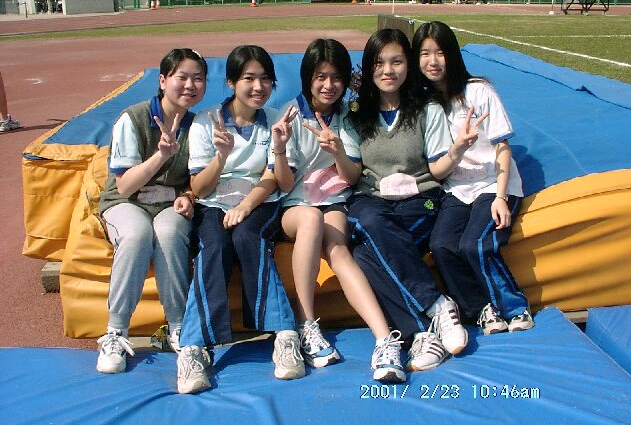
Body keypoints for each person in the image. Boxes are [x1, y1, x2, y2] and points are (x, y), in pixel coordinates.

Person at [270, 38, 406, 383]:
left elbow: (351, 176)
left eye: (336, 77)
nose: (328, 85)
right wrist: (280, 150)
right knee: (311, 219)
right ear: (307, 77)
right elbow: (284, 184)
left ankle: (384, 339)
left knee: (339, 251)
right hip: (296, 204)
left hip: (334, 200)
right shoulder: (290, 114)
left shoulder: (348, 115)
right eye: (320, 77)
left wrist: (338, 153)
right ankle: (306, 324)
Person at [342, 29, 475, 372]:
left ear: (408, 66)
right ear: (368, 67)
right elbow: (353, 177)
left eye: (397, 61)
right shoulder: (355, 114)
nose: (388, 70)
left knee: (365, 255)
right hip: (372, 199)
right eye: (379, 62)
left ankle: (420, 334)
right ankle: (437, 305)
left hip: (421, 199)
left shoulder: (426, 109)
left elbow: (437, 169)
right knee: (369, 221)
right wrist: (336, 151)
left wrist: (457, 150)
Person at [177, 45, 300, 394]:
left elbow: (275, 178)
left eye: (265, 79)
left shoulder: (276, 120)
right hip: (213, 203)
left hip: (259, 202)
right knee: (214, 245)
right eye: (249, 78)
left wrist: (246, 206)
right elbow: (199, 188)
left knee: (248, 237)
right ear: (231, 82)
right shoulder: (206, 122)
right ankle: (193, 348)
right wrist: (221, 156)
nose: (258, 87)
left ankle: (285, 334)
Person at [412, 21, 535, 336]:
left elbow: (502, 147)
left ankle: (515, 307)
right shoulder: (425, 104)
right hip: (457, 189)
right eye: (425, 54)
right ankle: (482, 308)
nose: (433, 61)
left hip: (493, 183)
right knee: (441, 245)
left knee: (474, 244)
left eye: (440, 52)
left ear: (452, 55)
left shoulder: (479, 91)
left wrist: (501, 197)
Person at [96, 48, 207, 374]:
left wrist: (188, 194)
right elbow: (125, 186)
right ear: (162, 80)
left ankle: (179, 326)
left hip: (169, 203)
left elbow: (198, 179)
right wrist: (161, 155)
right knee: (136, 235)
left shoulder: (197, 125)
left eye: (198, 78)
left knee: (169, 233)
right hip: (126, 201)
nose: (190, 85)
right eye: (181, 77)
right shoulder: (133, 118)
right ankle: (116, 331)